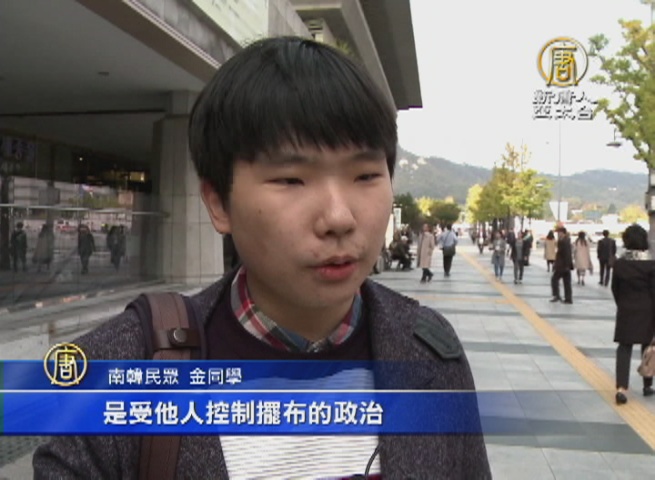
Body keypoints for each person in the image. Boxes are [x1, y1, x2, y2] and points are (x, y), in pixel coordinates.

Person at [32, 36, 490, 479]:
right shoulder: (110, 374)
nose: (338, 217)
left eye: (366, 175)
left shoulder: (432, 355)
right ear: (218, 202)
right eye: (291, 180)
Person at [611, 224, 655, 405]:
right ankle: (647, 384)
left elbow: (615, 289)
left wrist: (622, 304)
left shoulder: (620, 264)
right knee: (648, 347)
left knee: (624, 348)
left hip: (626, 310)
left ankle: (621, 388)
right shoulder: (651, 265)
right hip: (647, 311)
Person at [551, 227, 574, 304]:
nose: (558, 234)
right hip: (565, 265)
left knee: (554, 279)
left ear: (563, 233)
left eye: (559, 232)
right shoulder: (566, 240)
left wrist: (566, 265)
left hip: (562, 265)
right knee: (567, 282)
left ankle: (557, 295)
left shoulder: (563, 241)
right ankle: (568, 298)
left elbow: (566, 254)